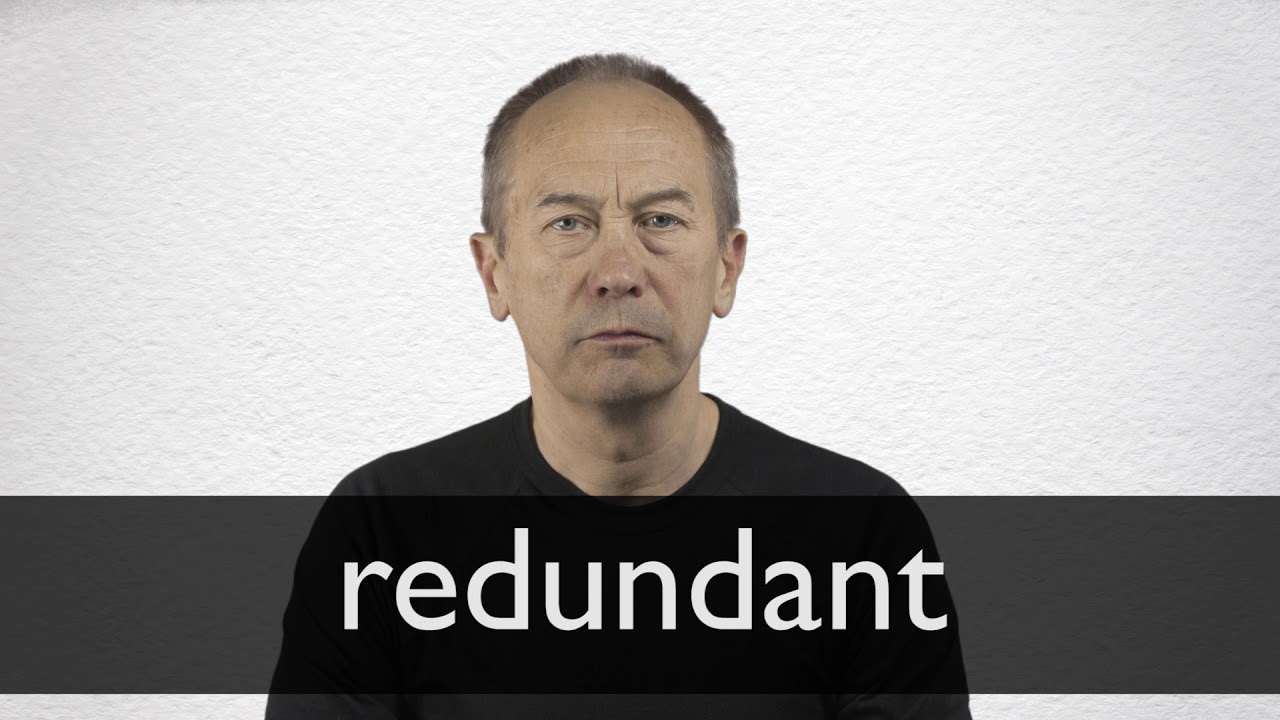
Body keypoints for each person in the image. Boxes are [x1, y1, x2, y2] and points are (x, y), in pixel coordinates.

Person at [266, 52, 971, 719]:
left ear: (726, 268)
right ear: (495, 273)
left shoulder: (862, 537)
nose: (618, 272)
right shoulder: (381, 535)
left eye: (660, 220)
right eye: (568, 223)